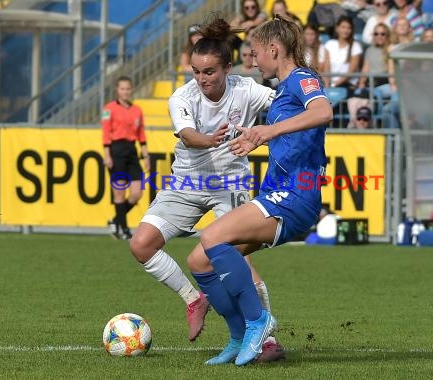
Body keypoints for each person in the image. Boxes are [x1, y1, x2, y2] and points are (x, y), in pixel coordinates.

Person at [128, 16, 285, 362]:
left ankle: (269, 340)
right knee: (141, 245)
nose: (201, 79)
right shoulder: (182, 97)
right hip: (186, 182)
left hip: (231, 183)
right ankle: (194, 300)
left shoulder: (246, 90)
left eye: (210, 72)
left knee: (237, 255)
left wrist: (265, 134)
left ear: (228, 68)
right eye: (197, 72)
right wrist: (208, 140)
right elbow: (188, 136)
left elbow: (284, 105)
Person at [186, 14, 333, 366]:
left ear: (273, 48)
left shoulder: (302, 79)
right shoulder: (284, 89)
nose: (252, 59)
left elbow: (324, 112)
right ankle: (239, 336)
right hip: (279, 193)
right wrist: (257, 139)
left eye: (255, 52)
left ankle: (258, 321)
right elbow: (295, 138)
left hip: (296, 195)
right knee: (199, 260)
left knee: (212, 238)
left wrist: (268, 131)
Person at [102, 76, 149, 240]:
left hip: (131, 151)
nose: (125, 92)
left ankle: (115, 221)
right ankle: (123, 229)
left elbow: (141, 134)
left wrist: (145, 154)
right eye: (122, 89)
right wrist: (107, 155)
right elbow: (106, 133)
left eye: (128, 88)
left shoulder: (137, 110)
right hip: (116, 151)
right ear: (117, 90)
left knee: (137, 193)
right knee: (119, 194)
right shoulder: (109, 108)